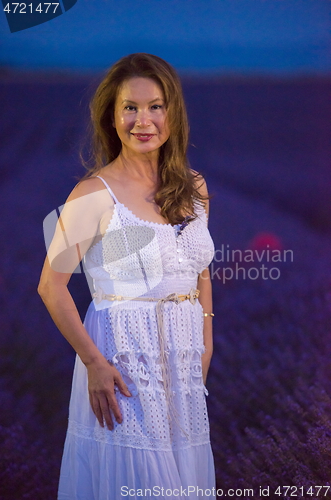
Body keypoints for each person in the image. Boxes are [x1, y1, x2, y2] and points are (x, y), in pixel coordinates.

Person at [38, 52, 216, 500]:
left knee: (183, 477)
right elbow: (50, 285)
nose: (143, 120)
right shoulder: (92, 195)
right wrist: (94, 363)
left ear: (172, 112)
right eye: (130, 108)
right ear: (111, 117)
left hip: (183, 355)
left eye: (155, 106)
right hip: (122, 360)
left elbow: (200, 269)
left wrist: (207, 337)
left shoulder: (194, 187)